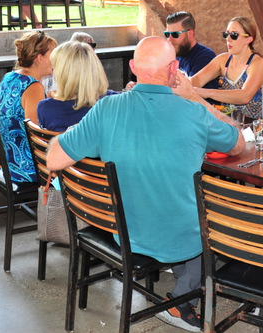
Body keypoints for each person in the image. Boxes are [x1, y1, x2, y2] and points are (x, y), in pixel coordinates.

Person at [47, 36, 245, 332]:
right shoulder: (193, 112)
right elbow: (238, 142)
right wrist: (196, 97)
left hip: (125, 232)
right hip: (180, 238)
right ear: (174, 69)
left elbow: (53, 159)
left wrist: (79, 130)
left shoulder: (106, 109)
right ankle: (182, 300)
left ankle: (181, 279)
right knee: (216, 215)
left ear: (133, 67)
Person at [0, 31, 58, 184]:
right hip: (28, 168)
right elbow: (37, 136)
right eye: (53, 54)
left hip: (9, 162)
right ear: (40, 58)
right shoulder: (33, 87)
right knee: (76, 164)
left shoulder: (9, 77)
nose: (57, 59)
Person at [188, 16, 263, 120]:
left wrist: (207, 93)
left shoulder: (258, 63)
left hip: (255, 127)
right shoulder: (223, 59)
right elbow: (197, 79)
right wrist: (183, 85)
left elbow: (244, 96)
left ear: (248, 39)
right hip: (227, 124)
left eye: (234, 35)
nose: (228, 39)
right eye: (226, 34)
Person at [36, 40, 117, 131]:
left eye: (55, 67)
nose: (52, 71)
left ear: (63, 73)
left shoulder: (46, 108)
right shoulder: (115, 102)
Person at [165, 11, 218, 89]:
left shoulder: (205, 56)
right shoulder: (173, 53)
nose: (170, 39)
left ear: (189, 34)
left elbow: (189, 89)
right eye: (167, 34)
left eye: (174, 34)